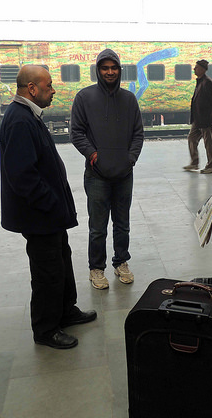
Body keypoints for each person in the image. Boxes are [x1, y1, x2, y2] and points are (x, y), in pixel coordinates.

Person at [0, 65, 97, 350]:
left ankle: (66, 311)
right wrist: (51, 203)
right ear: (32, 88)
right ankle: (45, 328)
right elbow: (22, 176)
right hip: (39, 216)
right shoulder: (20, 120)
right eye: (49, 85)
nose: (53, 90)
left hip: (49, 216)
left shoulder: (27, 115)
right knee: (47, 273)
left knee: (61, 262)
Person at [70, 49, 144, 290]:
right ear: (98, 70)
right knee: (97, 227)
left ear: (119, 70)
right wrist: (93, 154)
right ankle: (96, 268)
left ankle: (121, 262)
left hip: (124, 174)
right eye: (105, 68)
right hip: (96, 175)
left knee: (122, 224)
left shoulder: (129, 99)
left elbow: (138, 134)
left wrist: (130, 158)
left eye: (114, 68)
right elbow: (77, 133)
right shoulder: (84, 98)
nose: (110, 72)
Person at [183, 59, 212, 174]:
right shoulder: (200, 81)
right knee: (192, 139)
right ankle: (194, 162)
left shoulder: (207, 82)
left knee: (208, 143)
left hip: (205, 119)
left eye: (196, 67)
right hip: (198, 119)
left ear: (202, 70)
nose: (194, 69)